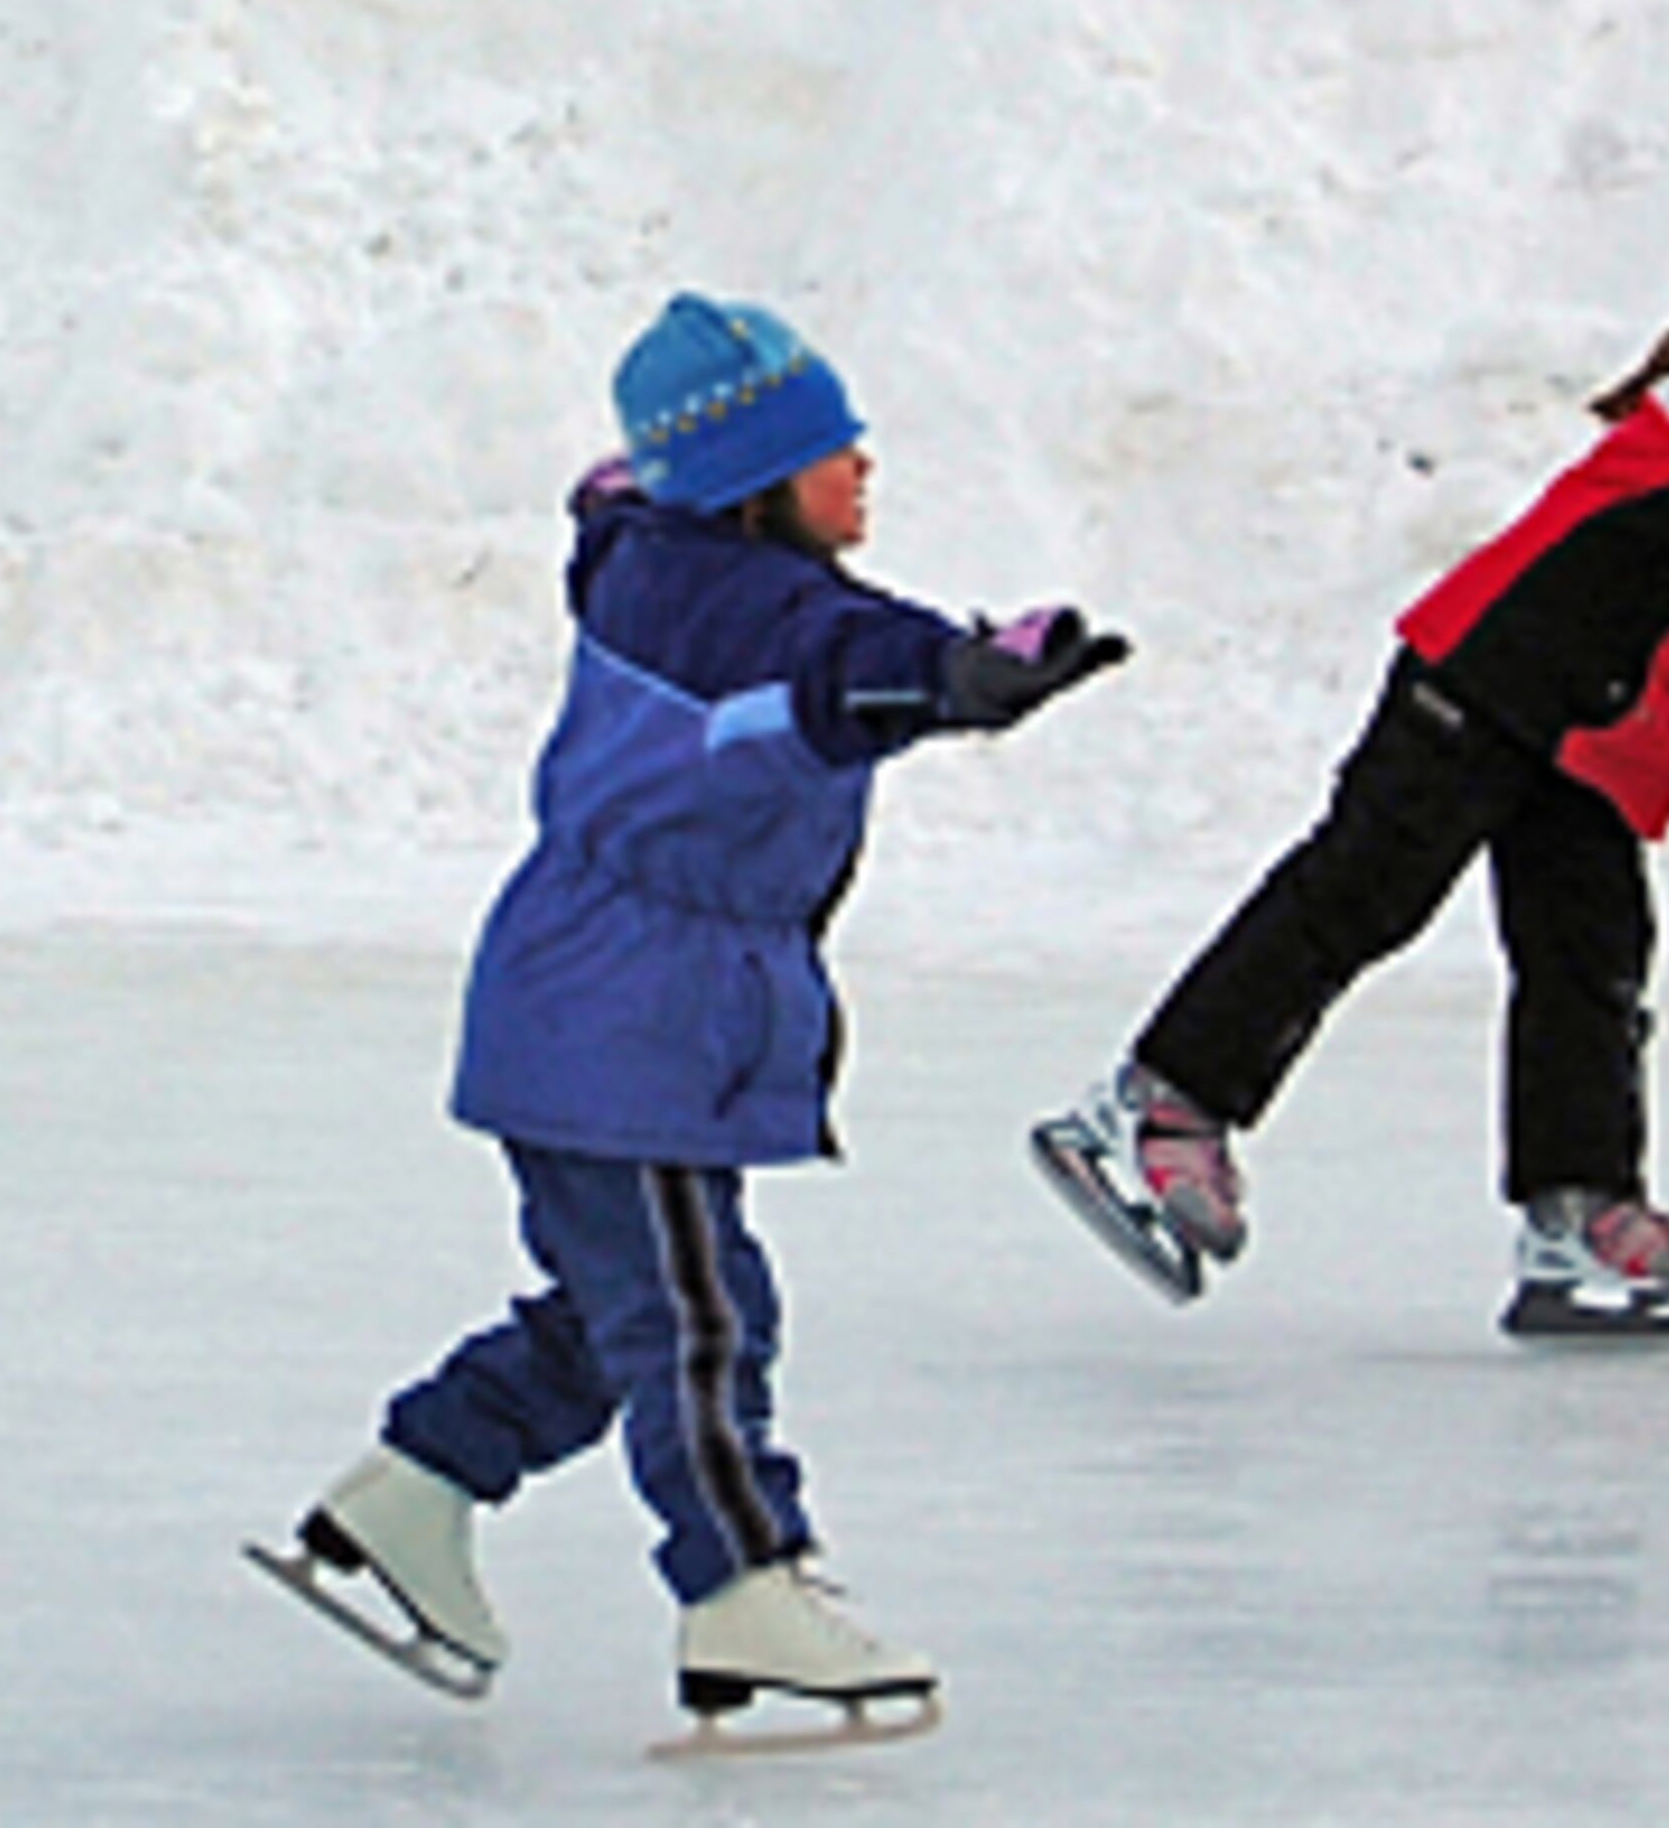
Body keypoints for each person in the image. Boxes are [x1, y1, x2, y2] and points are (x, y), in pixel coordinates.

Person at [251, 295, 1125, 1734]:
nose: (863, 469)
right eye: (828, 449)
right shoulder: (732, 611)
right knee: (696, 1320)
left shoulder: (662, 564)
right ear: (748, 484)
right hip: (620, 1021)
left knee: (625, 1318)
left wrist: (955, 670)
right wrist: (962, 676)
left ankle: (411, 1493)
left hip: (608, 1007)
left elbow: (720, 581)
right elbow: (843, 661)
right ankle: (744, 1583)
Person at [1031, 127, 1669, 1340]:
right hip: (1485, 676)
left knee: (1589, 952)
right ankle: (1156, 1109)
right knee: (1361, 893)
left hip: (1586, 727)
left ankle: (1576, 1212)